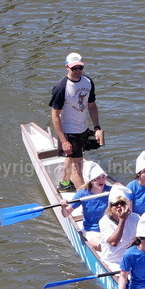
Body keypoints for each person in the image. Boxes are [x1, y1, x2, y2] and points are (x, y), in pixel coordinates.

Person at [50, 51, 104, 191]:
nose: (78, 71)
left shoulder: (88, 82)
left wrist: (97, 128)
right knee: (77, 166)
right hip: (69, 131)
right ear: (67, 67)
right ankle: (84, 198)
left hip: (83, 129)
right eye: (74, 68)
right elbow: (55, 115)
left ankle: (65, 183)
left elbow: (91, 105)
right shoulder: (61, 88)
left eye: (80, 68)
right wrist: (64, 140)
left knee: (72, 157)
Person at [59, 162, 113, 248]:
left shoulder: (111, 191)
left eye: (103, 177)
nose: (101, 181)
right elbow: (66, 214)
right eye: (98, 178)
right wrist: (63, 207)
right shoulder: (82, 194)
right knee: (104, 246)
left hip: (110, 228)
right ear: (91, 181)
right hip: (92, 230)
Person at [98, 185, 139, 271]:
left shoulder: (135, 218)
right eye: (115, 204)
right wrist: (122, 220)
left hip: (132, 257)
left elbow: (143, 236)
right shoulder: (104, 221)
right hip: (113, 261)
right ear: (110, 207)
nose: (119, 206)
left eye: (122, 203)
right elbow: (113, 242)